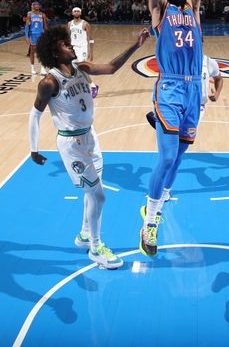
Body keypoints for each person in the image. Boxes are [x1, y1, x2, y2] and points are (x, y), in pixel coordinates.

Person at [28, 25, 149, 269]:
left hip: (91, 137)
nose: (70, 45)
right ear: (54, 53)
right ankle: (95, 247)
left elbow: (112, 68)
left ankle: (84, 233)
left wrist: (136, 45)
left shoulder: (81, 69)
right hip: (71, 144)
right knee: (98, 196)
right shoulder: (49, 82)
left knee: (92, 191)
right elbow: (34, 115)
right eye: (65, 44)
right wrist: (34, 149)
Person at [139, 0, 204, 257]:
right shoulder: (159, 12)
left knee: (178, 160)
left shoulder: (192, 7)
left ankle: (159, 205)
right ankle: (150, 219)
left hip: (195, 91)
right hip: (170, 88)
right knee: (165, 156)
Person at [68, 7, 99, 98]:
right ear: (72, 13)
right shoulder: (69, 24)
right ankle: (81, 87)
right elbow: (68, 38)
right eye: (75, 11)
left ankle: (93, 86)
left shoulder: (85, 24)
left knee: (82, 68)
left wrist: (91, 52)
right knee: (72, 69)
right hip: (73, 48)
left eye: (78, 11)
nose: (76, 12)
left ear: (80, 13)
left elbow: (91, 38)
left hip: (83, 48)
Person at [24, 1, 48, 75]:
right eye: (35, 5)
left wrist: (48, 34)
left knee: (42, 51)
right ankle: (32, 67)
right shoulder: (30, 14)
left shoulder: (43, 15)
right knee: (32, 51)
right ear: (33, 6)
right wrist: (27, 36)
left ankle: (43, 68)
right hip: (33, 34)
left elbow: (45, 26)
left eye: (38, 5)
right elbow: (27, 26)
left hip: (41, 34)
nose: (37, 6)